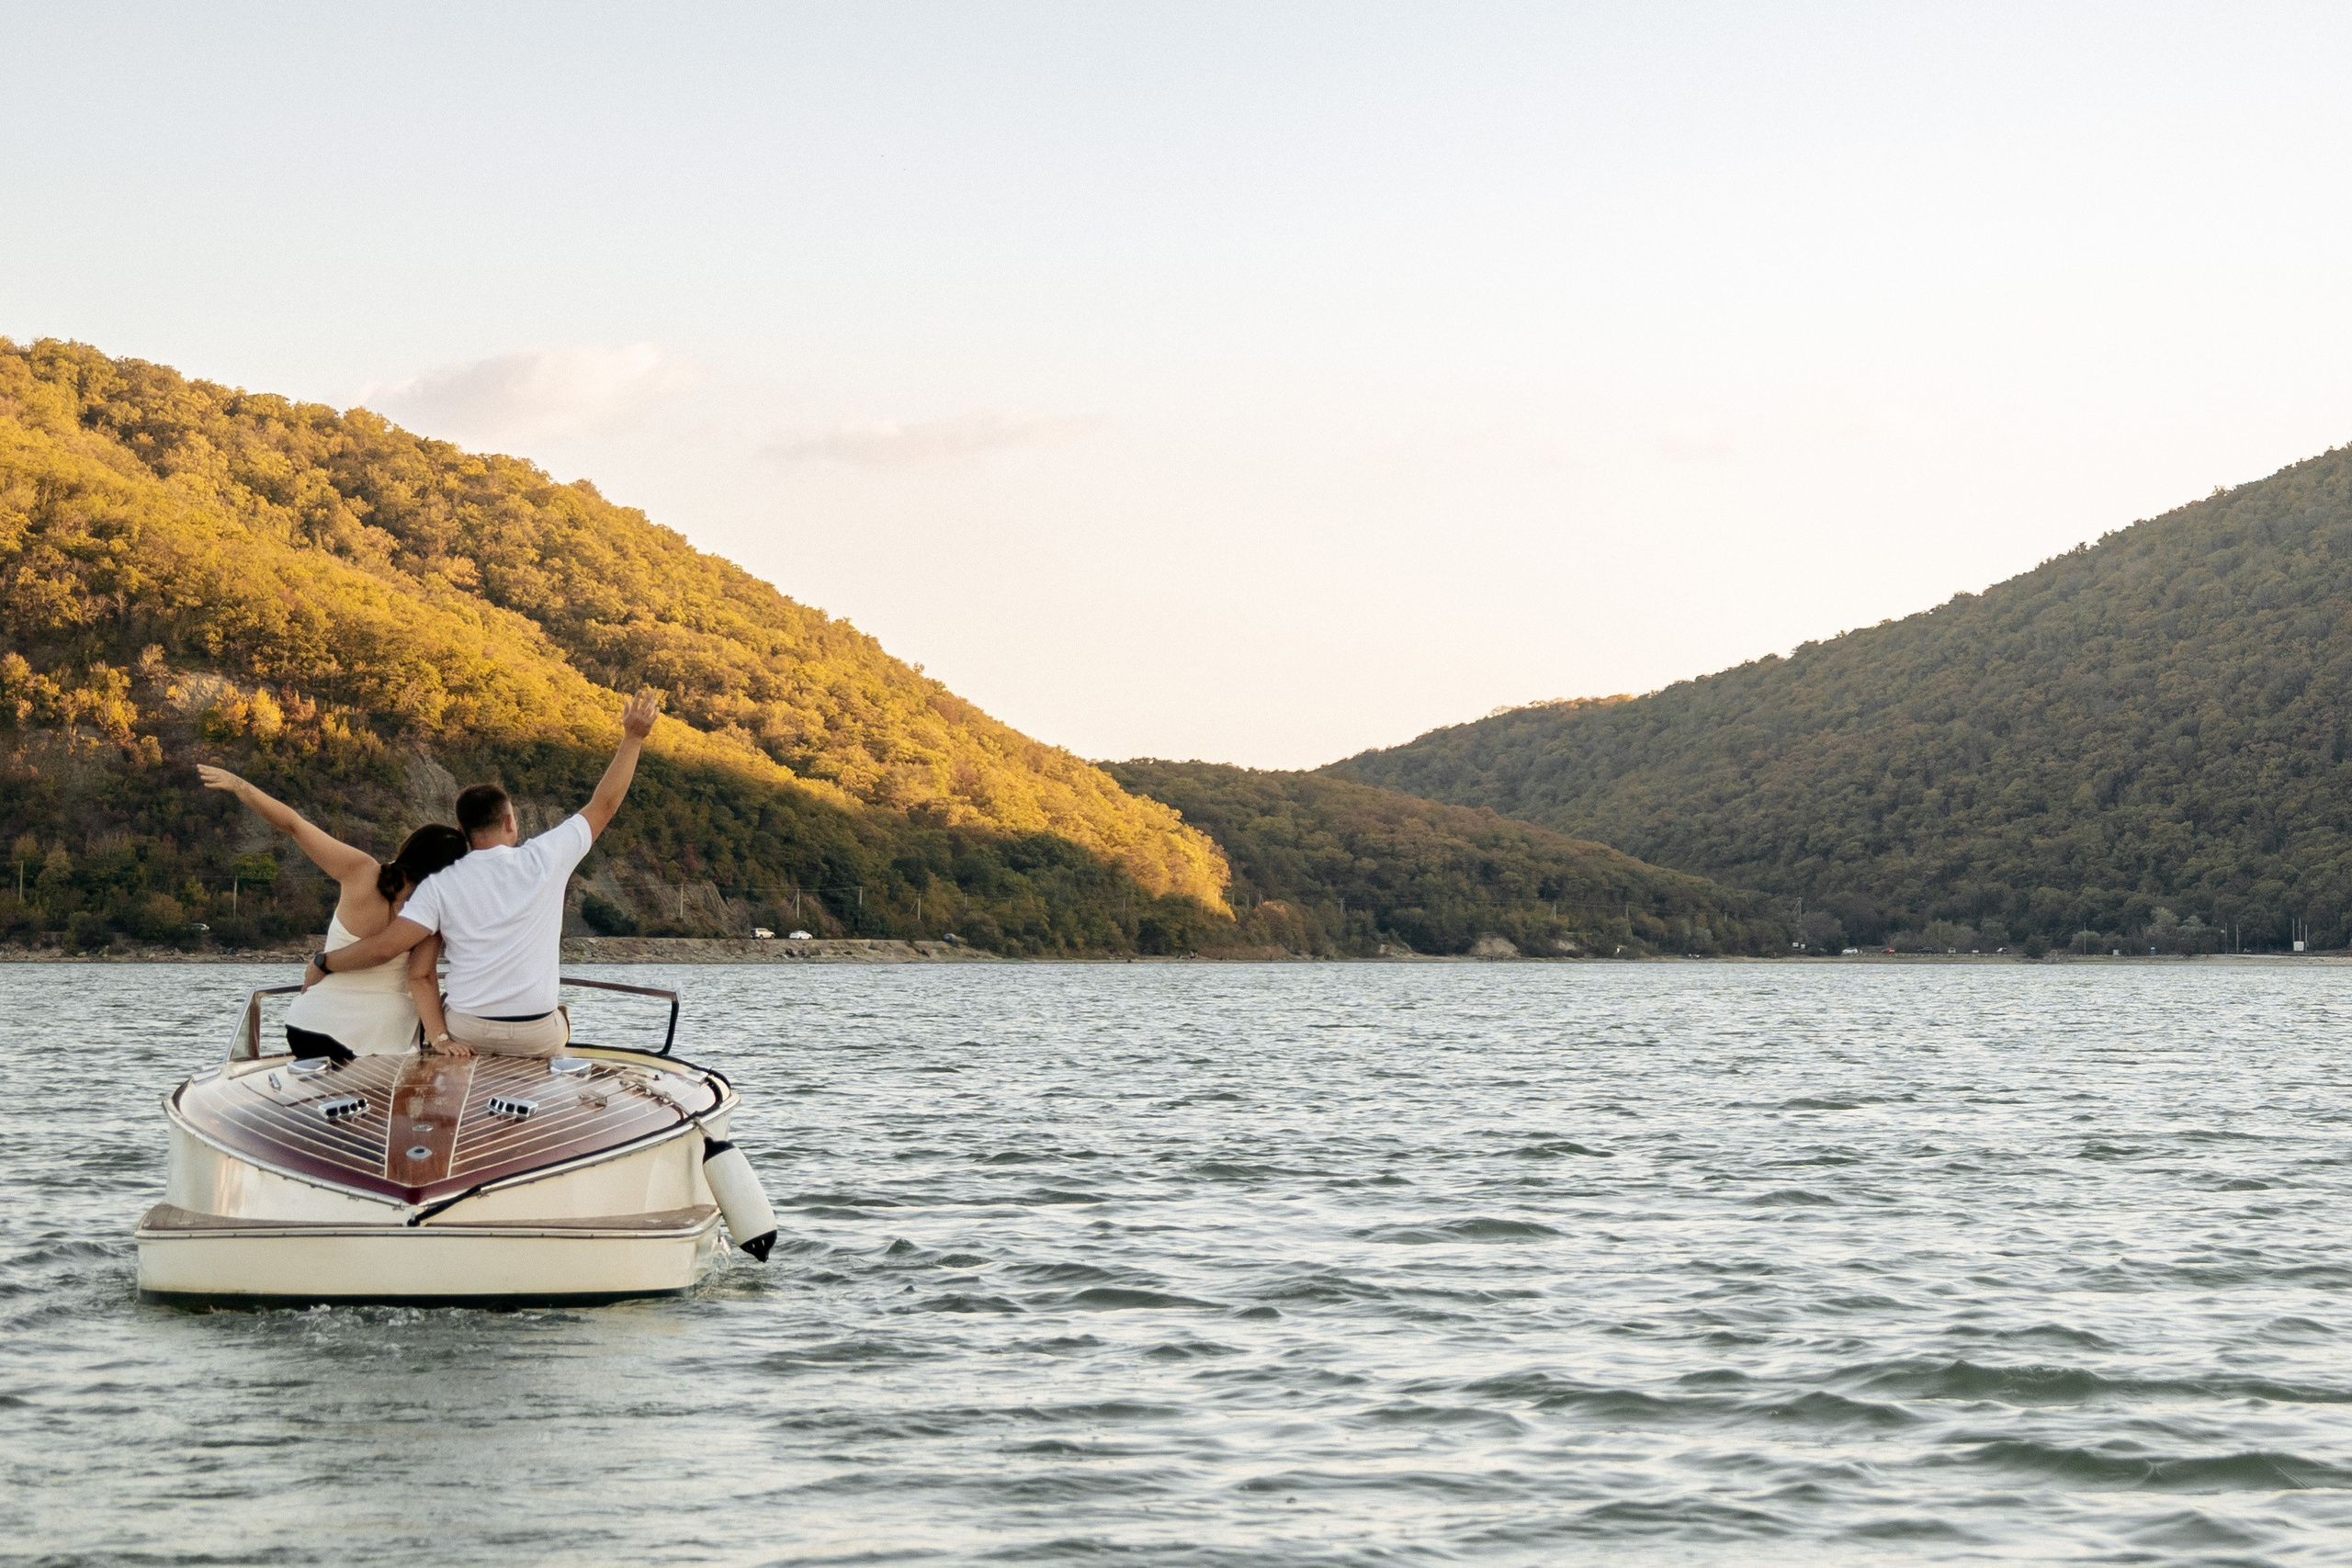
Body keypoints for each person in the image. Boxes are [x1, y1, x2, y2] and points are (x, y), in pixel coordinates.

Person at [306, 689, 662, 1056]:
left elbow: (386, 949)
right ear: (510, 821)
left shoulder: (439, 885)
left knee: (442, 1015)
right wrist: (633, 737)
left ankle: (445, 1057)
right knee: (560, 1021)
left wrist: (325, 962)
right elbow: (604, 803)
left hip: (468, 1034)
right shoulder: (547, 858)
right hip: (536, 1035)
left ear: (462, 832)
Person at [196, 764, 469, 1059]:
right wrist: (440, 1038)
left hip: (308, 1027)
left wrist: (241, 787)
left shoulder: (361, 870)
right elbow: (422, 977)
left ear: (409, 847)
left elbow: (294, 824)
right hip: (377, 1037)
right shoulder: (432, 912)